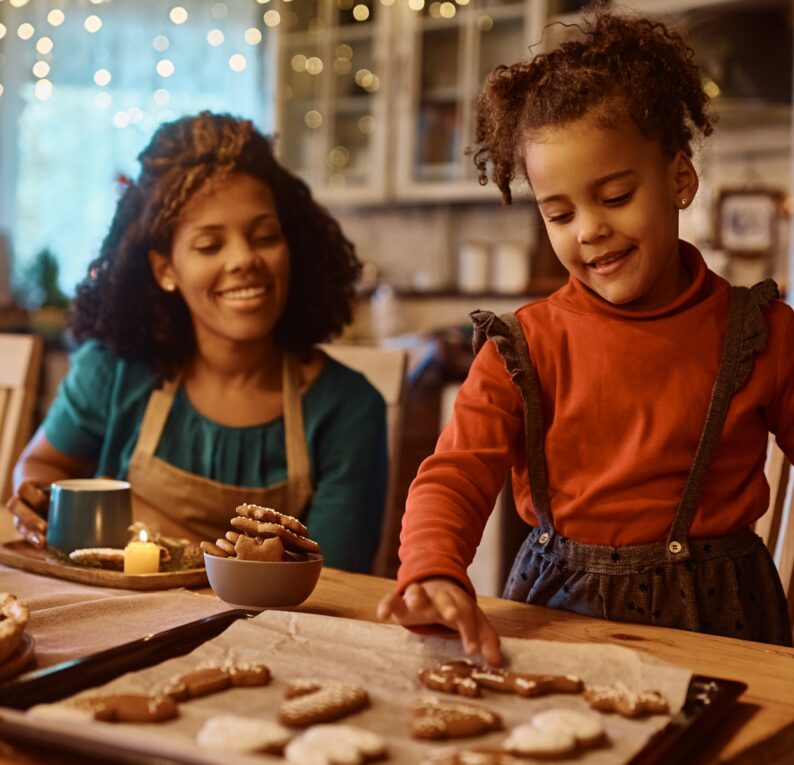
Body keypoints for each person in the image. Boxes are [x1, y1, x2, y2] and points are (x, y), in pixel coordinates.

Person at [378, 9, 794, 660]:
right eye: (561, 212)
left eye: (616, 195)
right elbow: (453, 476)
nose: (589, 230)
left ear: (679, 180)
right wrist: (431, 566)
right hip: (559, 620)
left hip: (724, 628)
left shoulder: (762, 332)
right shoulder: (522, 349)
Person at [8, 111, 387, 573]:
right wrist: (33, 496)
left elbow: (334, 581)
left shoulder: (348, 408)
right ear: (165, 269)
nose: (245, 259)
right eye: (210, 245)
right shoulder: (114, 370)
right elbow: (41, 468)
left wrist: (155, 528)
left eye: (265, 236)